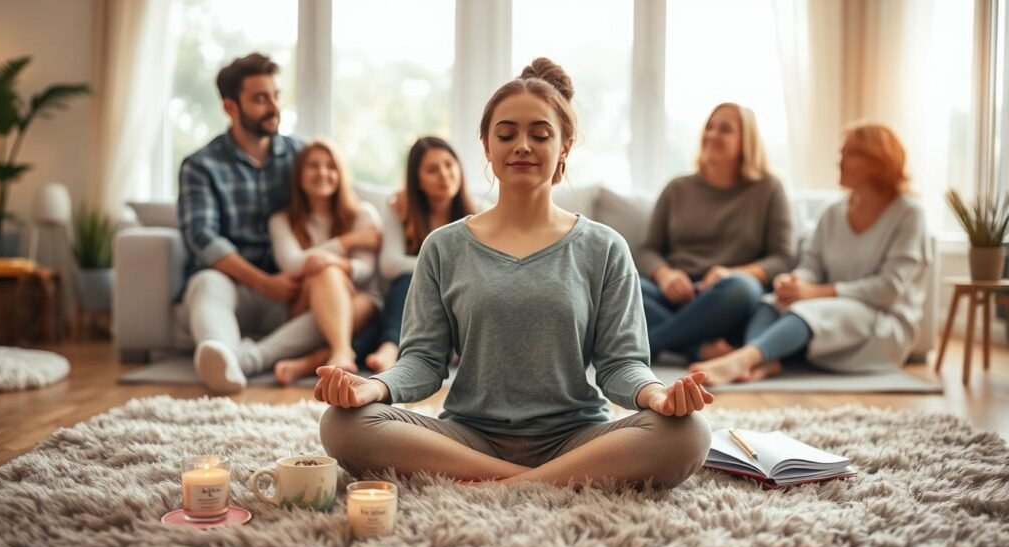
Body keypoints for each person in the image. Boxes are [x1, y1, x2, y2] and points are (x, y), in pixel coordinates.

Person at [314, 58, 713, 488]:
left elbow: (620, 365)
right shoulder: (443, 246)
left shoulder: (604, 247)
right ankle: (542, 481)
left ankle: (503, 484)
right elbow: (424, 362)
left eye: (540, 135)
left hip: (575, 437)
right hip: (468, 437)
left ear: (564, 145)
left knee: (689, 432)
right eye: (506, 134)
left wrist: (658, 395)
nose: (522, 145)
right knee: (342, 423)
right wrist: (372, 389)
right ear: (486, 146)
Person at [690, 124, 929, 384]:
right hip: (831, 309)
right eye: (842, 152)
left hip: (883, 320)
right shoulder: (833, 211)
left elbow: (888, 289)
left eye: (851, 153)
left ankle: (742, 360)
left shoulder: (909, 214)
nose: (840, 161)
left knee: (812, 312)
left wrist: (818, 292)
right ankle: (761, 362)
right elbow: (811, 264)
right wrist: (796, 283)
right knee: (772, 302)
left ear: (878, 162)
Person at [178, 52, 310, 393]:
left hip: (289, 292)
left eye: (276, 96)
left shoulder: (301, 156)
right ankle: (220, 355)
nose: (273, 106)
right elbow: (202, 236)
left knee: (333, 292)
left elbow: (338, 204)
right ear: (231, 107)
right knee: (206, 282)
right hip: (230, 285)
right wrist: (265, 283)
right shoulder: (201, 165)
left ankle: (247, 361)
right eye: (260, 98)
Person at [637, 103, 795, 364]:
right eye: (709, 127)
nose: (712, 135)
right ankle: (697, 350)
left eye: (725, 129)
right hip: (674, 295)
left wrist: (732, 273)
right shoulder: (677, 188)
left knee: (743, 289)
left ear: (746, 141)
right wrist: (666, 276)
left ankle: (651, 344)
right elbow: (647, 250)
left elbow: (783, 259)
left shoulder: (769, 189)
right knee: (625, 287)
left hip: (727, 300)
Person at [265, 139, 384, 383]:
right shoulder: (282, 220)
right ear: (298, 174)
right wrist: (346, 244)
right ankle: (341, 349)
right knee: (325, 270)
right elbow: (293, 264)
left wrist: (333, 261)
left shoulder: (363, 214)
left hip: (360, 303)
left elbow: (366, 271)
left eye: (330, 167)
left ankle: (315, 361)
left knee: (366, 301)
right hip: (303, 305)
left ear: (340, 173)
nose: (322, 173)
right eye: (313, 166)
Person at [364, 136, 477, 373]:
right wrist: (439, 271)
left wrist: (439, 272)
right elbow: (389, 265)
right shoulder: (398, 207)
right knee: (408, 281)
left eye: (449, 164)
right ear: (418, 180)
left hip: (458, 302)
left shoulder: (480, 212)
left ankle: (395, 349)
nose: (444, 175)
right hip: (408, 306)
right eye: (432, 170)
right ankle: (389, 349)